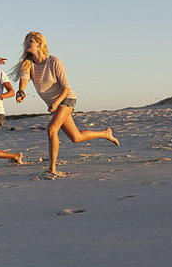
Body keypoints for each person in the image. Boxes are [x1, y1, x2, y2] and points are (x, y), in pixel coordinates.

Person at [10, 31, 119, 175]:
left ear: (39, 44)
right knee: (76, 137)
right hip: (55, 104)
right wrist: (21, 92)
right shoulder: (28, 64)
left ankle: (52, 168)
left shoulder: (54, 61)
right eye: (26, 42)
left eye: (30, 41)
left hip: (66, 98)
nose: (26, 44)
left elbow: (66, 87)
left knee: (51, 129)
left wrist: (56, 103)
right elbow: (23, 80)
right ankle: (105, 134)